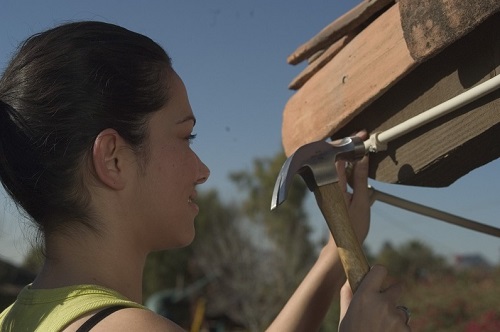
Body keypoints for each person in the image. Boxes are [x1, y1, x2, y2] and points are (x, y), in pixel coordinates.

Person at [0, 21, 411, 331]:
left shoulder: (20, 318)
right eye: (185, 135)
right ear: (114, 160)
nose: (203, 170)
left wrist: (331, 260)